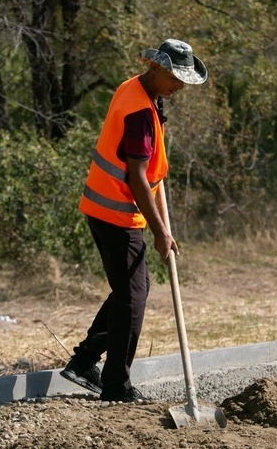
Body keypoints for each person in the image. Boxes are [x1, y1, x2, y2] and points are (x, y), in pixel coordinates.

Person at [60, 39, 208, 403]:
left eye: (183, 80)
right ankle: (116, 386)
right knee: (132, 298)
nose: (179, 86)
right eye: (174, 78)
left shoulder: (137, 89)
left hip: (109, 208)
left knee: (129, 292)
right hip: (117, 212)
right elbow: (137, 178)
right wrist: (160, 232)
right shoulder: (140, 112)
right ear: (155, 67)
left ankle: (84, 362)